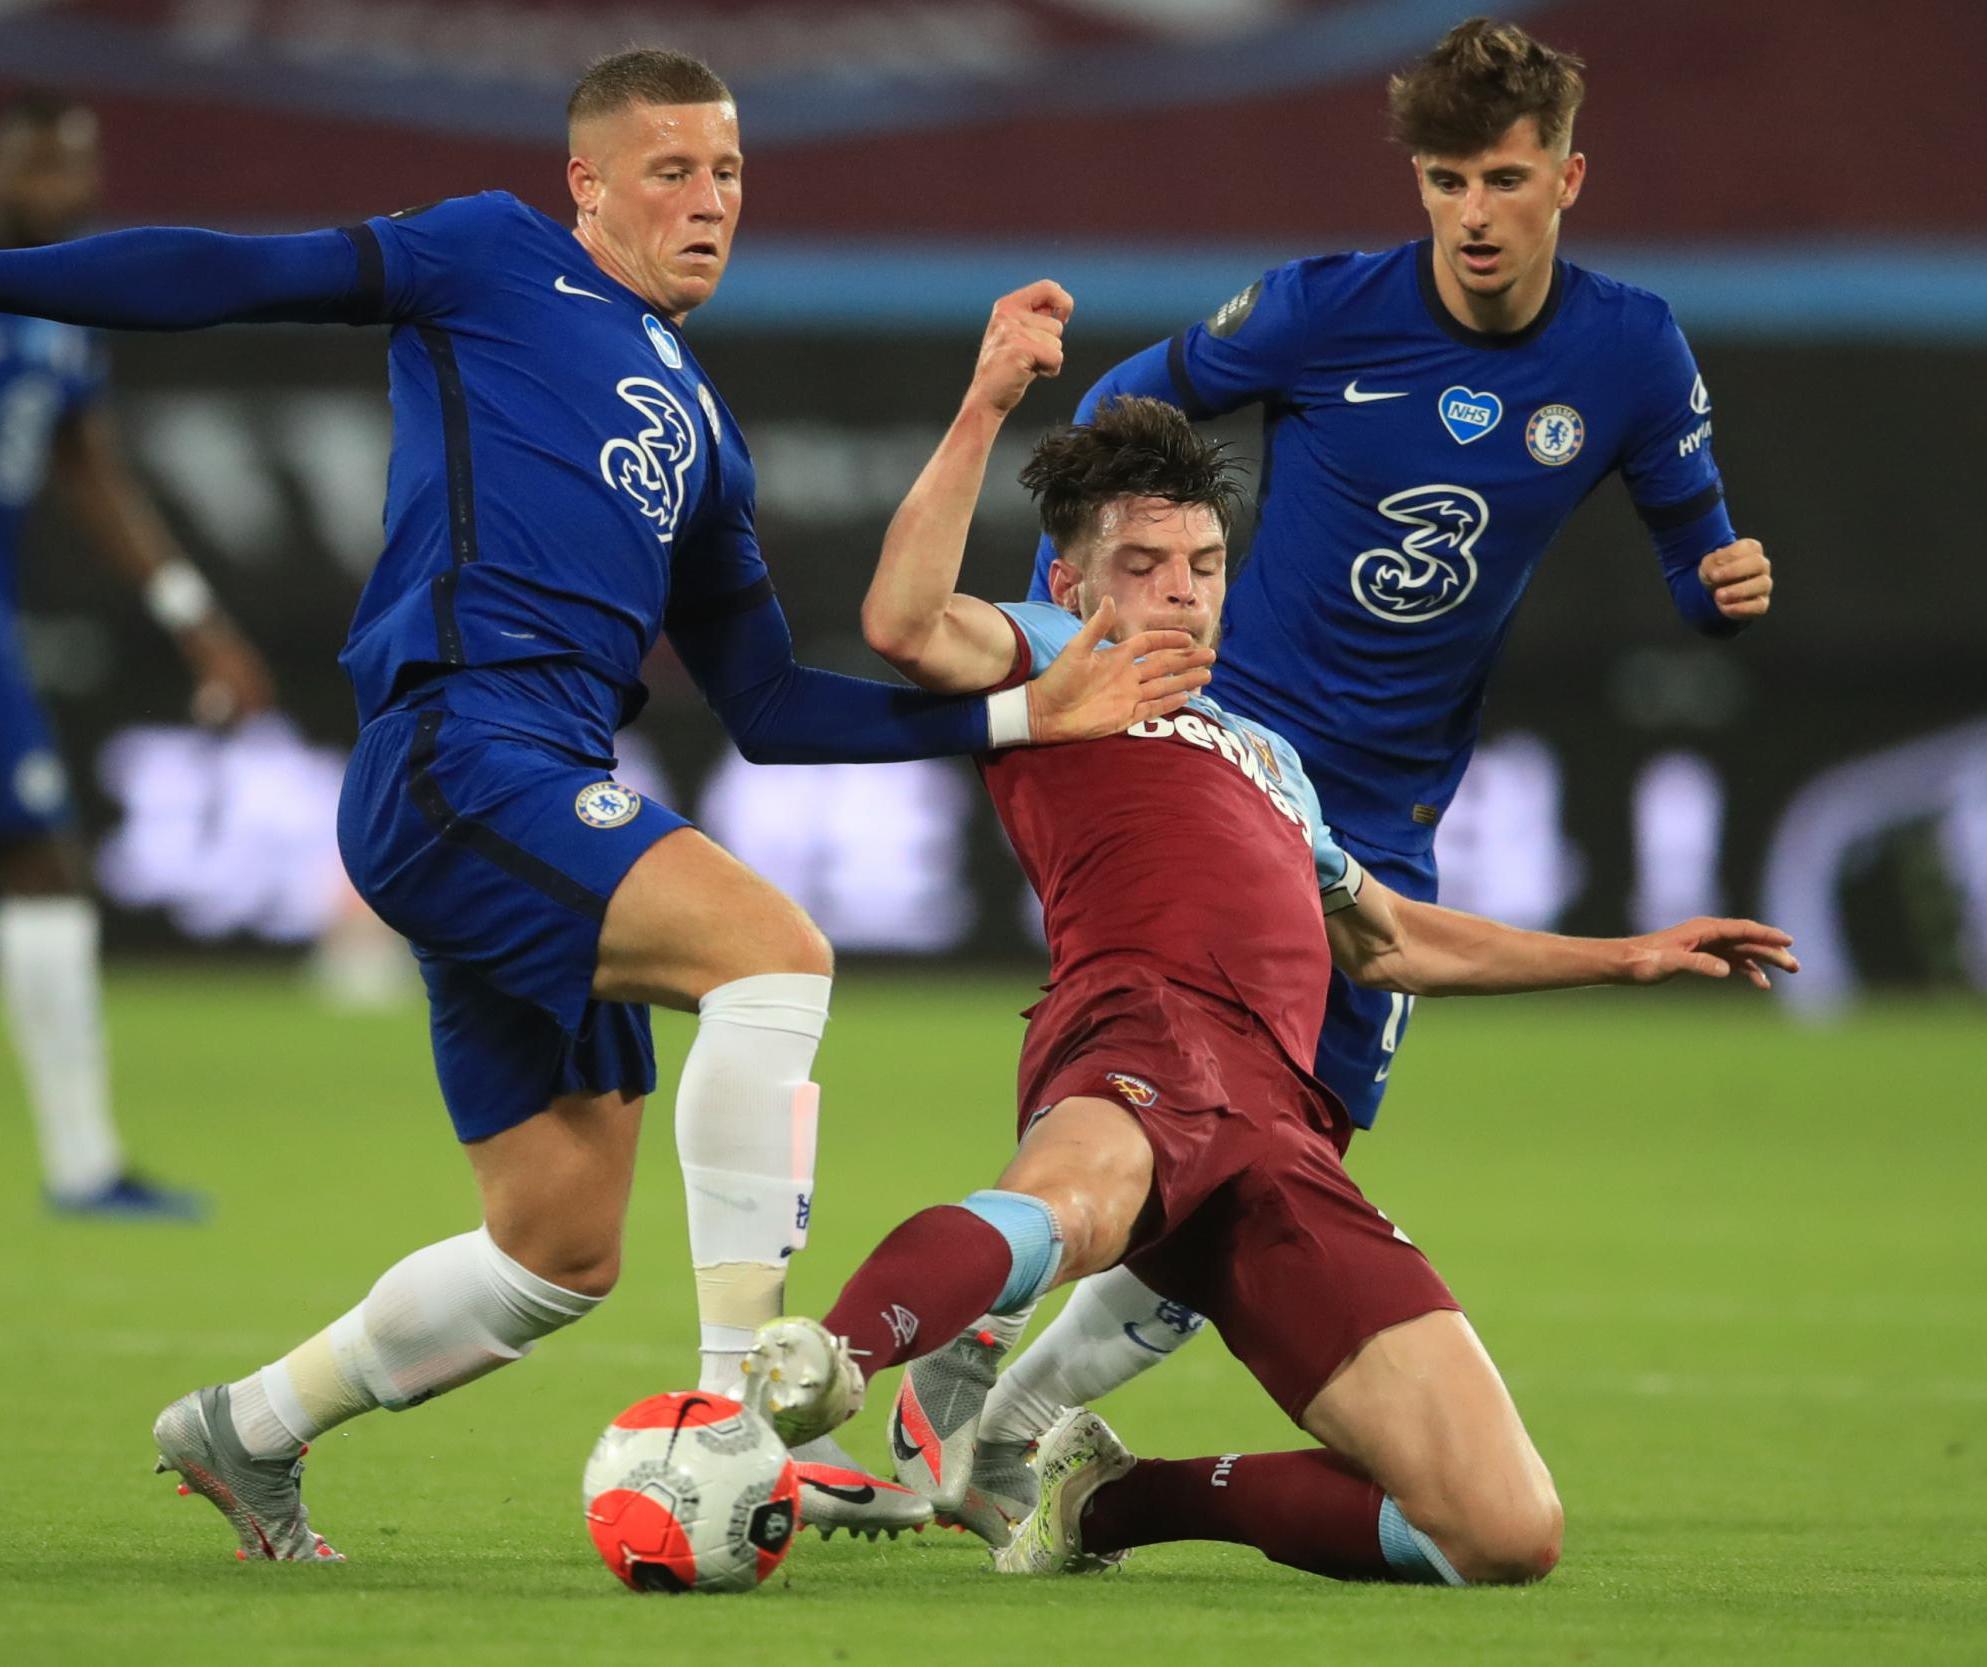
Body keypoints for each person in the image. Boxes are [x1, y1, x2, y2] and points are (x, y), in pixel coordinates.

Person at [0, 50, 1211, 1560]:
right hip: (458, 746)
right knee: (773, 953)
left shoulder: (701, 427)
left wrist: (1020, 711)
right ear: (585, 183)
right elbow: (237, 272)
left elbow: (769, 708)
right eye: (671, 172)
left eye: (729, 177)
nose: (708, 204)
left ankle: (246, 1428)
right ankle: (738, 1413)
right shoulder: (488, 255)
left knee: (555, 1249)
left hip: (547, 776)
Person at [726, 283, 1794, 1586]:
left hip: (1279, 1126)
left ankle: (1106, 1499)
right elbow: (902, 621)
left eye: (1204, 565)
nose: (1179, 593)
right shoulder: (1055, 660)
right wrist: (988, 400)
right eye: (1140, 566)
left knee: (1503, 1531)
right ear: (1071, 581)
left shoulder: (1270, 757)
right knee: (1071, 1199)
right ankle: (830, 1357)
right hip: (1143, 1031)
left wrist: (1624, 954)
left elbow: (1390, 941)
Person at [895, 14, 1782, 1529]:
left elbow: (1693, 537)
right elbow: (1130, 403)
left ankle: (1005, 1417)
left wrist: (1719, 580)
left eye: (1504, 178)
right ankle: (962, 1394)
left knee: (1279, 1155)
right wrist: (1116, 600)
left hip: (1387, 806)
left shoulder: (1627, 350)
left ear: (1568, 175)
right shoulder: (1321, 311)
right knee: (1181, 1105)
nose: (1474, 214)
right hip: (1222, 749)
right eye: (1445, 179)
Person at [0, 94, 275, 1219]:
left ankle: (84, 1165)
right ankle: (82, 1164)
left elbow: (89, 469)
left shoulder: (61, 305)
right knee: (39, 865)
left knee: (41, 865)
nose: (74, 180)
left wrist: (190, 611)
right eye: (43, 155)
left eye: (84, 156)